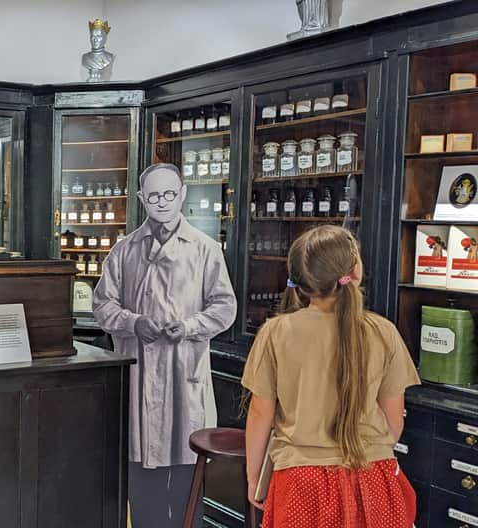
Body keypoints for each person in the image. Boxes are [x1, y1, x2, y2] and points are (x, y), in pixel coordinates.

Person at [242, 225, 420, 527]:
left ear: (298, 280)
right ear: (355, 270)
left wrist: (253, 475)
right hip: (373, 478)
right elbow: (393, 424)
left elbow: (260, 413)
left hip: (301, 481)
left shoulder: (275, 333)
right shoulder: (383, 332)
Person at [94, 163, 236, 528]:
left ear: (183, 194)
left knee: (187, 483)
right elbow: (103, 305)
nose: (162, 202)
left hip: (182, 373)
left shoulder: (205, 249)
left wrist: (189, 326)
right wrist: (134, 323)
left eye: (169, 194)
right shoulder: (124, 250)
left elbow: (225, 307)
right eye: (154, 195)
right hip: (138, 372)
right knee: (142, 482)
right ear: (142, 198)